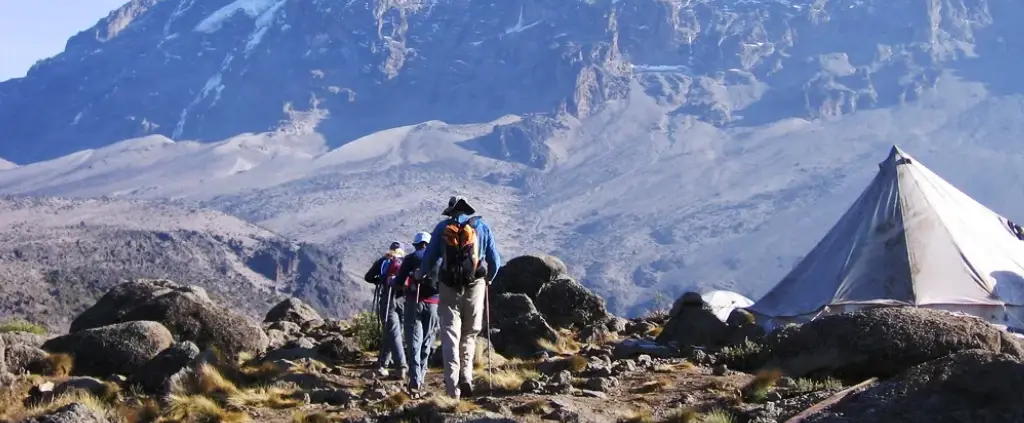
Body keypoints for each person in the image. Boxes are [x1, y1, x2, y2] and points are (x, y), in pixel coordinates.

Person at [416, 195, 502, 399]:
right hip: (475, 285)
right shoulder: (481, 227)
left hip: (448, 287)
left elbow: (428, 260)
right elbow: (495, 261)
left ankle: (452, 388)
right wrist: (489, 279)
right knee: (469, 335)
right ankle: (466, 377)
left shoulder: (441, 229)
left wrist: (420, 275)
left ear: (451, 212)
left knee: (450, 335)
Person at [394, 231, 442, 394]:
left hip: (414, 302)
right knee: (427, 340)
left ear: (416, 245)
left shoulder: (410, 259)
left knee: (414, 341)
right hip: (434, 304)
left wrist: (392, 282)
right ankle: (421, 374)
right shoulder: (440, 259)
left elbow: (399, 281)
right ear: (429, 244)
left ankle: (415, 379)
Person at [363, 241, 408, 378]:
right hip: (404, 299)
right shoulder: (406, 261)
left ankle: (401, 366)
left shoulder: (383, 260)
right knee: (395, 330)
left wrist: (381, 280)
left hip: (388, 298)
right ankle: (384, 362)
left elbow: (368, 277)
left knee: (392, 331)